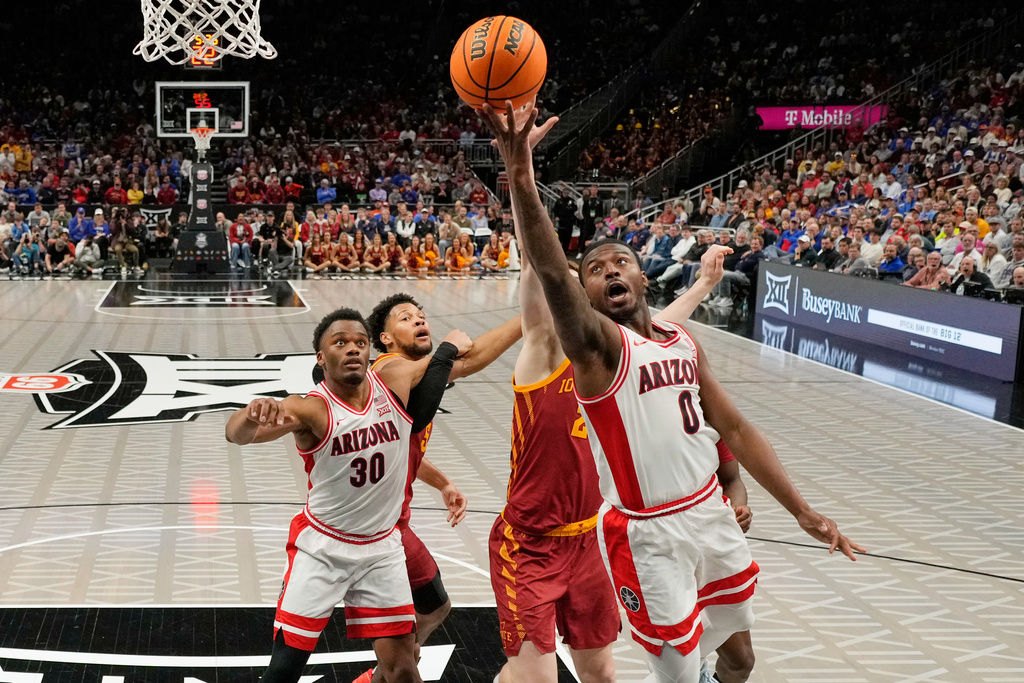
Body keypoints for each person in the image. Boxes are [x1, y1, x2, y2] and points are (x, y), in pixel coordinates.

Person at [483, 98, 862, 683]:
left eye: (621, 262)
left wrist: (803, 511)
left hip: (706, 513)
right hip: (645, 532)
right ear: (583, 295)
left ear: (642, 275)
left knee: (741, 659)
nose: (610, 270)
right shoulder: (591, 350)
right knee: (674, 674)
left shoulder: (679, 341)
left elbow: (733, 429)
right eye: (597, 268)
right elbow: (549, 270)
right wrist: (520, 177)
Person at [495, 189, 731, 683]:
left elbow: (663, 323)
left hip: (592, 541)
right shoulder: (545, 350)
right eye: (594, 274)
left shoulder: (622, 358)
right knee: (535, 680)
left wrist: (705, 284)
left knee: (601, 676)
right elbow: (536, 265)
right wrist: (520, 174)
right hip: (530, 544)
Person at [226, 307, 472, 683]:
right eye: (340, 342)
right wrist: (250, 414)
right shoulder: (311, 408)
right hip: (323, 548)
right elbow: (236, 435)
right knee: (284, 669)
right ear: (321, 357)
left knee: (403, 668)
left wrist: (529, 321)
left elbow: (469, 363)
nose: (353, 348)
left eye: (360, 342)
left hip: (382, 548)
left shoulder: (390, 391)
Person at [362, 294, 522, 683]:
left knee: (436, 608)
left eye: (421, 316)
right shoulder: (387, 370)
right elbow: (430, 403)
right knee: (403, 659)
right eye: (406, 318)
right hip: (369, 530)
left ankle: (385, 670)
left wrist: (443, 482)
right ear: (384, 338)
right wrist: (529, 315)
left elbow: (404, 448)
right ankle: (388, 668)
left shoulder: (418, 371)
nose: (419, 321)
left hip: (396, 523)